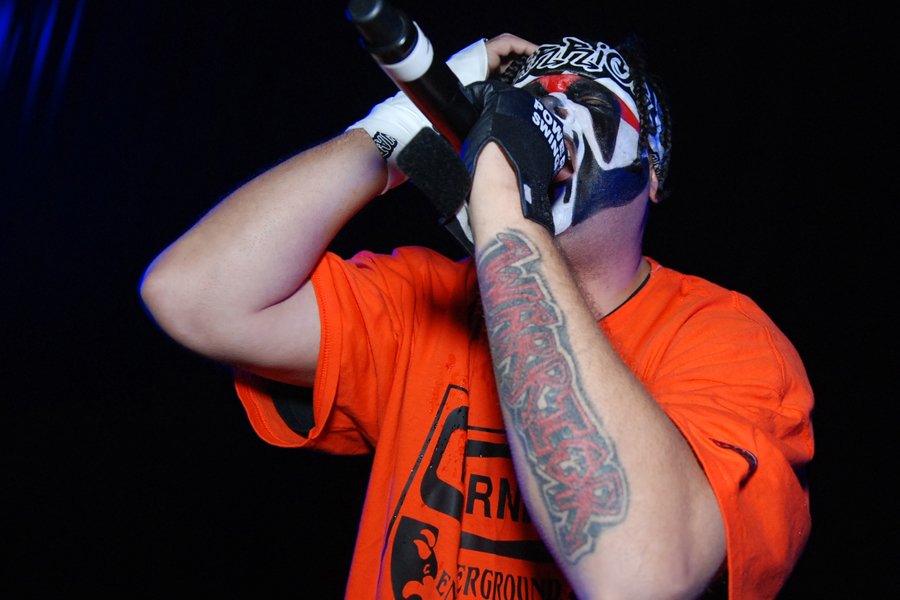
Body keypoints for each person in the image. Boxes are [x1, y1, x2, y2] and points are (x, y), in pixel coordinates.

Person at [140, 30, 814, 600]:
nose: (541, 115)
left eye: (584, 99)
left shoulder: (727, 341)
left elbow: (641, 575)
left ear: (652, 167)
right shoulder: (426, 301)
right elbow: (193, 296)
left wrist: (506, 209)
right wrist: (398, 126)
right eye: (522, 100)